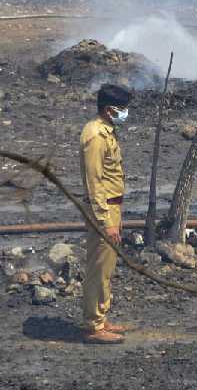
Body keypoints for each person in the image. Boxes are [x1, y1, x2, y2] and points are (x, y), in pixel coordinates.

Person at [79, 84, 132, 344]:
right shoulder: (96, 136)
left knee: (106, 267)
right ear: (109, 110)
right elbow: (95, 182)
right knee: (99, 269)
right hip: (104, 209)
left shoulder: (107, 130)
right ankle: (93, 326)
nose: (126, 114)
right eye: (122, 110)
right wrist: (105, 221)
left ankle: (101, 316)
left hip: (113, 207)